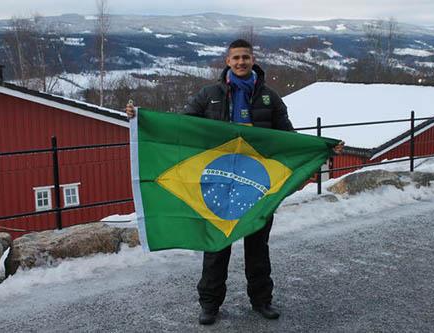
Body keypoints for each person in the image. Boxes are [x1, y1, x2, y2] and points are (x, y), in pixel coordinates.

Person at [126, 39, 343, 325]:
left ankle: (262, 301)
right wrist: (140, 118)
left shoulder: (270, 98)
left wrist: (323, 147)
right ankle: (210, 304)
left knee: (257, 246)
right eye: (236, 58)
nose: (241, 62)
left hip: (256, 186)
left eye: (246, 57)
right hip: (217, 182)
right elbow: (181, 130)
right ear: (227, 62)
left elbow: (289, 138)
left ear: (254, 60)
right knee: (215, 247)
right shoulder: (209, 95)